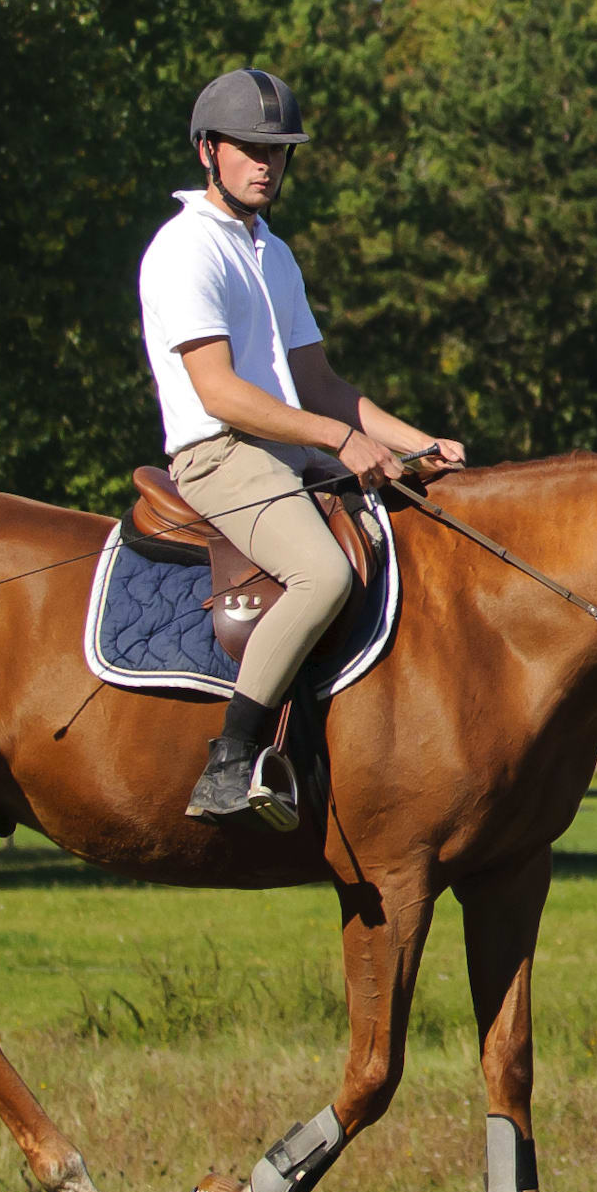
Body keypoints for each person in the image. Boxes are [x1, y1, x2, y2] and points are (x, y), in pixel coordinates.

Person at [140, 67, 465, 829]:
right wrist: (339, 440)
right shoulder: (186, 248)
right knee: (320, 574)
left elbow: (318, 381)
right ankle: (229, 759)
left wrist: (420, 443)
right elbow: (218, 390)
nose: (265, 163)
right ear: (207, 151)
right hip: (218, 455)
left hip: (286, 448)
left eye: (278, 150)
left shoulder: (271, 252)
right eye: (249, 148)